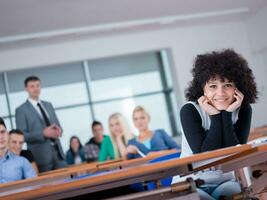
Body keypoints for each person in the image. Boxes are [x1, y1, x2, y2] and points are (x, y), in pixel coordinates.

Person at [178, 49, 258, 199]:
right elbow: (203, 157)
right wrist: (215, 117)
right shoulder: (190, 110)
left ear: (238, 87)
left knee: (237, 195)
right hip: (190, 181)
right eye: (213, 86)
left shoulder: (243, 109)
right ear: (203, 89)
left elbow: (235, 155)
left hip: (226, 180)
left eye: (227, 85)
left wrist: (226, 115)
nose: (220, 93)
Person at [15, 76, 67, 173]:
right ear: (26, 88)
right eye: (32, 86)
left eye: (38, 85)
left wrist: (59, 130)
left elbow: (58, 125)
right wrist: (43, 134)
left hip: (59, 155)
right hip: (41, 158)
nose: (36, 89)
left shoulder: (48, 105)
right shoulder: (21, 110)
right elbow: (21, 135)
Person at [0, 117, 36, 183]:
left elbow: (35, 185)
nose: (0, 137)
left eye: (2, 132)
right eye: (14, 142)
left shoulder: (23, 161)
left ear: (7, 134)